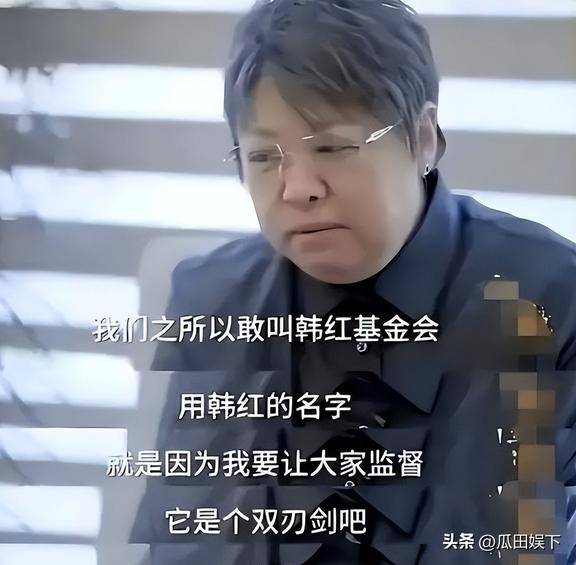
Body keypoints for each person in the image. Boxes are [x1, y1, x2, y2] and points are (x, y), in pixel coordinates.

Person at [131, 1, 576, 563]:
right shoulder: (213, 298)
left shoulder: (551, 296)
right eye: (264, 156)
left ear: (422, 139)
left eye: (333, 147)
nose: (298, 188)